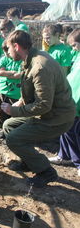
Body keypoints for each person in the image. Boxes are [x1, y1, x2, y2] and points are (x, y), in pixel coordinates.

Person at [1, 30, 76, 188]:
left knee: (13, 139)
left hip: (56, 118)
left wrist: (12, 111)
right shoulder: (32, 58)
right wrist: (21, 102)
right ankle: (29, 161)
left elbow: (43, 105)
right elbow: (34, 88)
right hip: (49, 113)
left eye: (8, 48)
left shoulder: (40, 66)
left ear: (16, 46)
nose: (7, 52)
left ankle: (46, 172)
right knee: (9, 126)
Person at [49, 28, 80, 177]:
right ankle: (64, 155)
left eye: (75, 45)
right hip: (70, 99)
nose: (73, 48)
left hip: (77, 104)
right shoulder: (78, 56)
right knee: (65, 128)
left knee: (73, 131)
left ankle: (78, 161)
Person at [0, 19, 22, 139]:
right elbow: (0, 72)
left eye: (8, 52)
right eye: (5, 52)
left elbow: (20, 75)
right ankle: (1, 129)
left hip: (16, 92)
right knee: (0, 111)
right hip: (2, 89)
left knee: (14, 112)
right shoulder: (4, 58)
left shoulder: (21, 59)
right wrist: (11, 73)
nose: (7, 55)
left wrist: (11, 74)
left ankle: (11, 132)